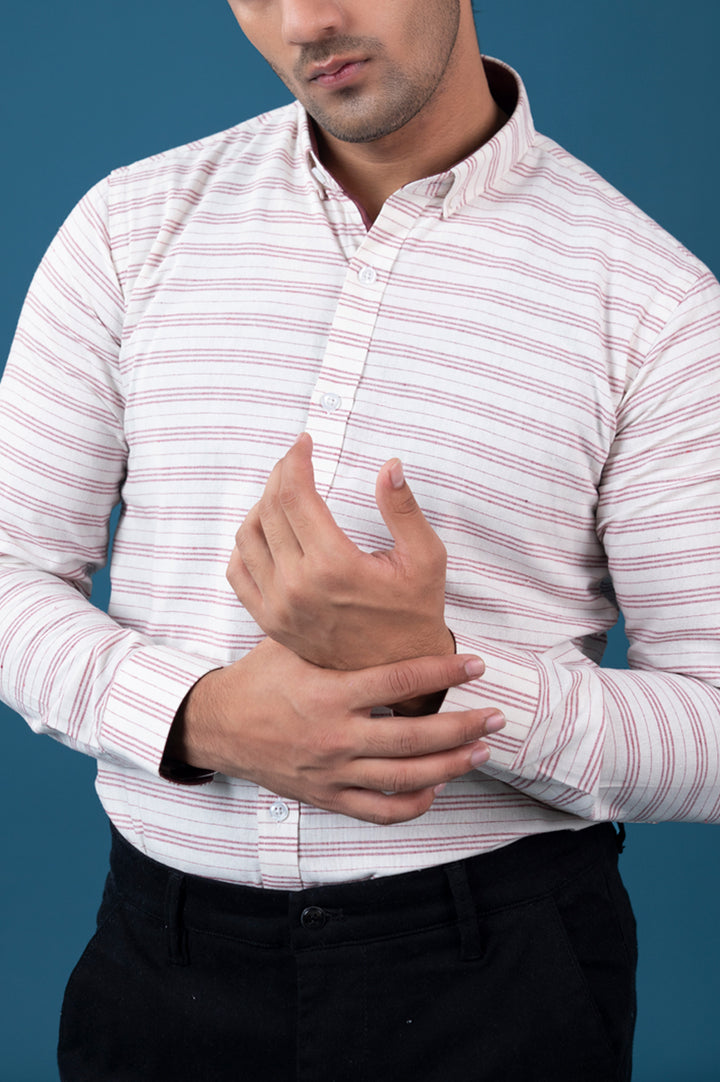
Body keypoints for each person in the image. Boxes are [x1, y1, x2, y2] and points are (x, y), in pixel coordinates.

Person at [1, 0, 718, 1078]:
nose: (305, 21)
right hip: (157, 964)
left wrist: (432, 676)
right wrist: (197, 717)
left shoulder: (656, 304)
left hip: (499, 981)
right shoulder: (127, 226)